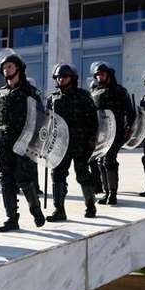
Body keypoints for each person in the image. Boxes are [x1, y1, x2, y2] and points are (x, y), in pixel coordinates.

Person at [0, 52, 46, 232]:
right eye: (4, 67)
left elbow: (40, 118)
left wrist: (38, 141)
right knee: (5, 180)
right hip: (5, 144)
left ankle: (36, 210)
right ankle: (11, 219)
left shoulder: (29, 92)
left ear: (18, 68)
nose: (7, 70)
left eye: (10, 66)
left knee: (24, 180)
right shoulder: (0, 93)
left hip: (24, 143)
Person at [46, 64, 99, 222]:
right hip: (60, 144)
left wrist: (92, 139)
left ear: (72, 78)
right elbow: (48, 122)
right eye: (59, 77)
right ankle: (59, 209)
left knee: (82, 174)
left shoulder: (83, 96)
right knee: (57, 175)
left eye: (65, 76)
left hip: (80, 143)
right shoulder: (52, 99)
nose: (61, 79)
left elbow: (93, 120)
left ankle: (90, 205)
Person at [88, 61, 136, 206]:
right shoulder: (94, 92)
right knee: (101, 161)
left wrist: (128, 128)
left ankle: (113, 194)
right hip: (101, 133)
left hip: (117, 131)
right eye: (97, 75)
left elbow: (130, 112)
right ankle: (107, 192)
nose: (99, 77)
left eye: (102, 74)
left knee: (109, 160)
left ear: (108, 75)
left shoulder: (120, 91)